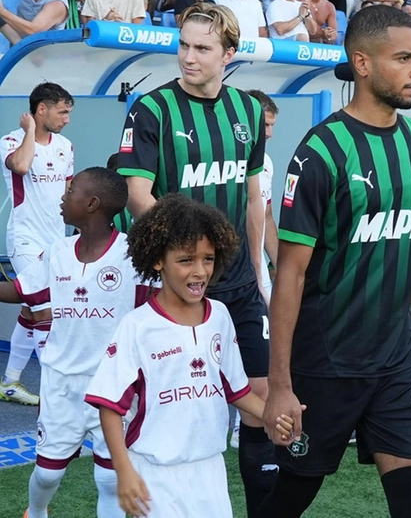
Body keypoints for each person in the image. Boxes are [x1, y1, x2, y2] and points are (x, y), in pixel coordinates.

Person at [260, 6, 411, 518]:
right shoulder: (321, 150)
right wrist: (280, 386)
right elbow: (290, 272)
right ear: (362, 63)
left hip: (398, 360)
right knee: (293, 495)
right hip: (328, 360)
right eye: (404, 58)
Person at [115, 5, 276, 517]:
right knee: (171, 404)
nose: (188, 57)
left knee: (261, 398)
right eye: (183, 45)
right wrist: (188, 250)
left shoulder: (249, 112)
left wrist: (254, 264)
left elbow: (254, 198)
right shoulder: (151, 110)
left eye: (202, 48)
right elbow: (138, 195)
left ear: (229, 54)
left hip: (240, 283)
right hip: (178, 283)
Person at [86, 194, 292, 518]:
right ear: (158, 260)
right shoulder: (138, 327)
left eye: (208, 259)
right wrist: (123, 470)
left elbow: (235, 389)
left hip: (210, 471)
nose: (199, 272)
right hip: (155, 474)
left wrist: (273, 415)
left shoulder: (221, 316)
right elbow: (109, 407)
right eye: (186, 260)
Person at [0, 168, 139, 518]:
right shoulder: (58, 250)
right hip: (60, 382)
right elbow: (18, 290)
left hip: (113, 386)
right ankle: (36, 510)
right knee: (48, 473)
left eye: (71, 190)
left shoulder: (132, 255)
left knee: (109, 478)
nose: (63, 196)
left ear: (91, 204)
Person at [0, 82, 73, 407]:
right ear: (40, 109)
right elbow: (22, 166)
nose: (67, 119)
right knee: (45, 308)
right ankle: (58, 393)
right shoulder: (11, 142)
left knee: (32, 311)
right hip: (24, 239)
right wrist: (29, 130)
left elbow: (69, 192)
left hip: (57, 240)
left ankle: (10, 382)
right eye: (62, 111)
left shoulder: (66, 146)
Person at [245, 90, 278, 297]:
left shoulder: (266, 162)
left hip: (261, 276)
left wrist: (280, 267)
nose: (269, 133)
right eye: (265, 124)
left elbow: (266, 217)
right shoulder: (228, 159)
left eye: (272, 126)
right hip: (234, 273)